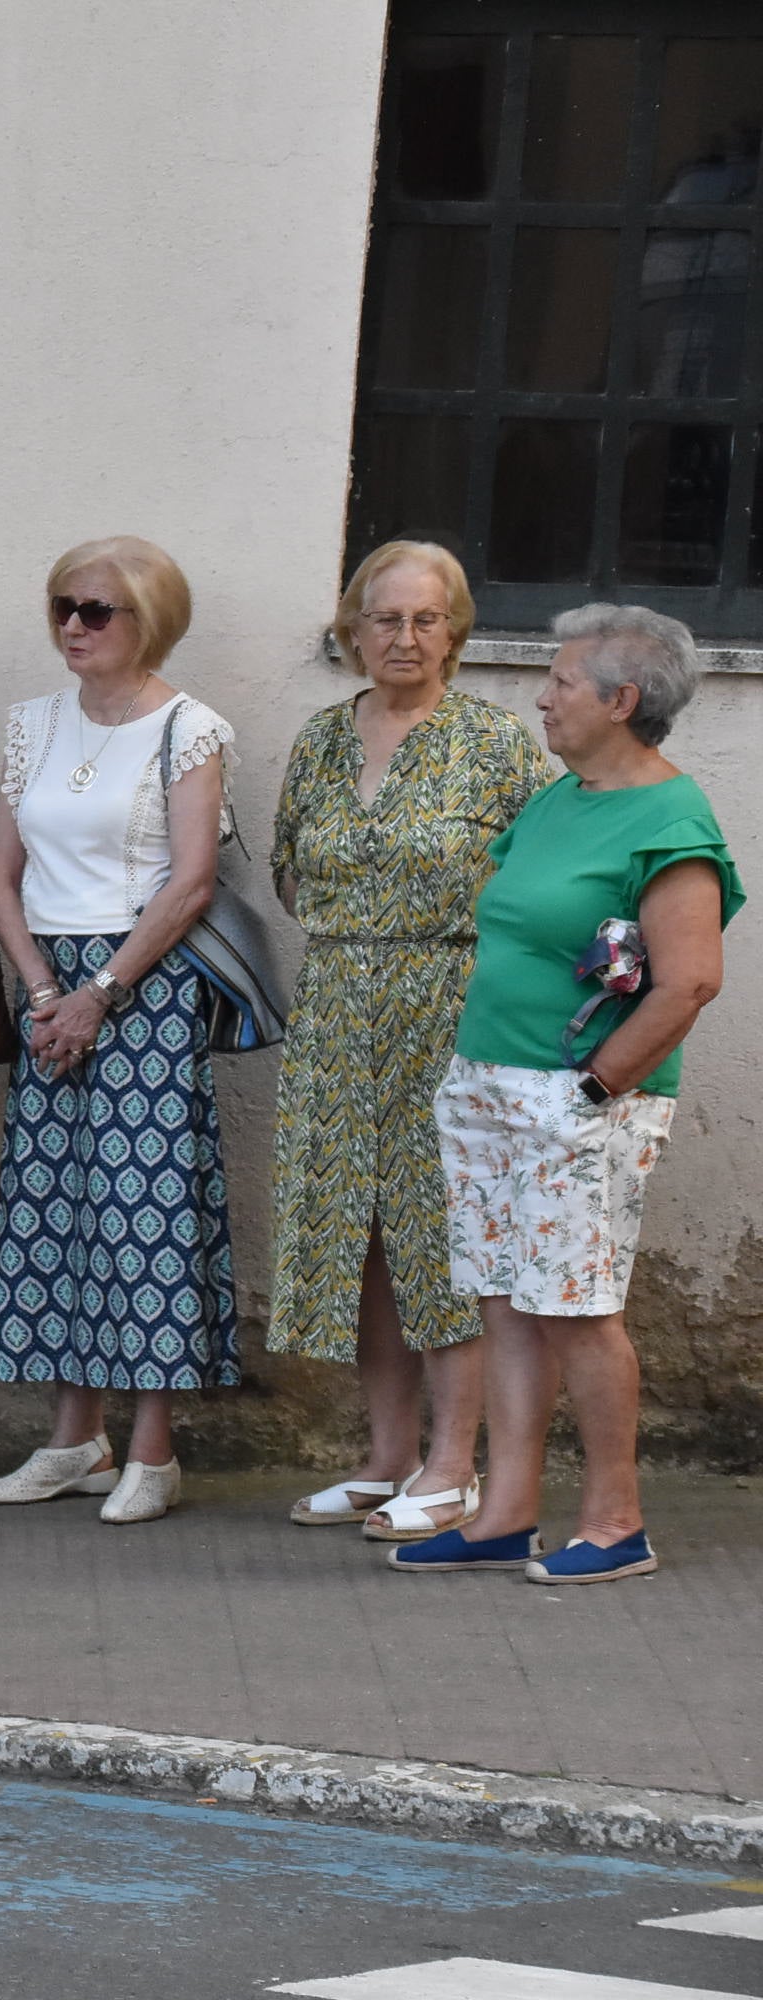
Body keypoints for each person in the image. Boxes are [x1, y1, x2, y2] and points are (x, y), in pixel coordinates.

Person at [394, 606, 737, 1585]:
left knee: (577, 1307)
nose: (539, 695)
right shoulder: (557, 799)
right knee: (506, 1299)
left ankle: (614, 1520)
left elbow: (688, 979)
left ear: (621, 700)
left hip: (578, 1100)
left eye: (559, 680)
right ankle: (503, 1513)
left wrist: (594, 1085)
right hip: (489, 1085)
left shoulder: (671, 820)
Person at [270, 543, 547, 1541]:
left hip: (452, 1007)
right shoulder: (319, 738)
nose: (403, 637)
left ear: (455, 631)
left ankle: (452, 1461)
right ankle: (388, 1454)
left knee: (446, 1235)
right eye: (384, 618)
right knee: (366, 1234)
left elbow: (538, 885)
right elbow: (287, 871)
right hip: (339, 1008)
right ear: (353, 628)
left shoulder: (495, 741)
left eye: (425, 619)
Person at [0, 537, 235, 1526]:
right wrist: (42, 987)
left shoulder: (189, 728)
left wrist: (102, 991)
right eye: (62, 607)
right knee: (54, 1206)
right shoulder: (31, 723)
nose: (74, 626)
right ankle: (71, 1437)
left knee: (144, 1212)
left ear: (148, 621)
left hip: (146, 987)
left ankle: (152, 1450)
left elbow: (191, 879)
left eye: (97, 610)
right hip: (49, 991)